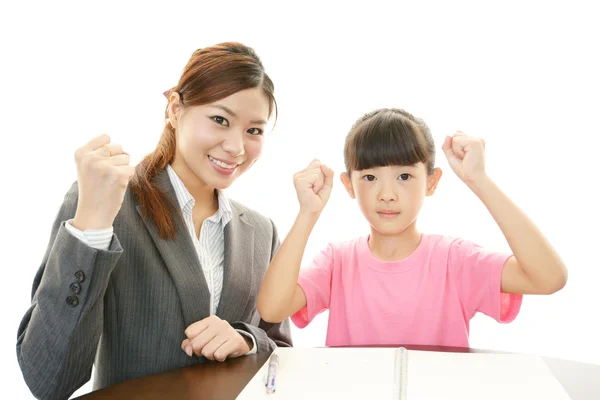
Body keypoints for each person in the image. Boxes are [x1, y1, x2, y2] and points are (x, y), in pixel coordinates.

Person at [17, 42, 292, 400]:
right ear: (175, 109)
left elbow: (282, 353)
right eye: (220, 120)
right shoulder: (107, 199)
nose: (237, 147)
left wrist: (246, 339)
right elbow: (48, 380)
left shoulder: (261, 231)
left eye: (254, 131)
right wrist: (92, 227)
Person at [257, 107, 567, 348]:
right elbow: (272, 310)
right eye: (370, 177)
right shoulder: (338, 261)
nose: (387, 193)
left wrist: (479, 180)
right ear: (348, 184)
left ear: (431, 182)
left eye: (404, 176)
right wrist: (307, 213)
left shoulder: (455, 260)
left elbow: (549, 278)